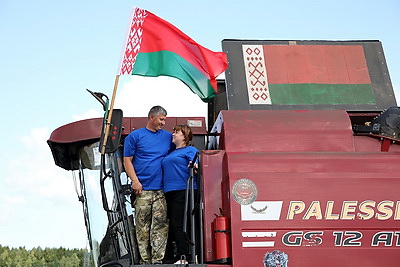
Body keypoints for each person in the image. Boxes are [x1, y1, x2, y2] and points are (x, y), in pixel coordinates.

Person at [123, 105, 174, 265]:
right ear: (152, 117)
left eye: (165, 119)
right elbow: (127, 160)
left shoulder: (168, 137)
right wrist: (135, 181)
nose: (163, 123)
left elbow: (178, 151)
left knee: (160, 226)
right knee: (143, 228)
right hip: (142, 190)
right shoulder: (135, 136)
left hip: (161, 190)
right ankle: (145, 262)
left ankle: (157, 262)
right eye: (161, 119)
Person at [162, 124, 199, 264]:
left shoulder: (190, 149)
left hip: (184, 190)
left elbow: (196, 161)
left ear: (185, 136)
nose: (173, 134)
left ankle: (184, 256)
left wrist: (194, 166)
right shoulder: (170, 153)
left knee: (179, 224)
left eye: (176, 132)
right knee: (172, 224)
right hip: (170, 192)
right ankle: (174, 254)